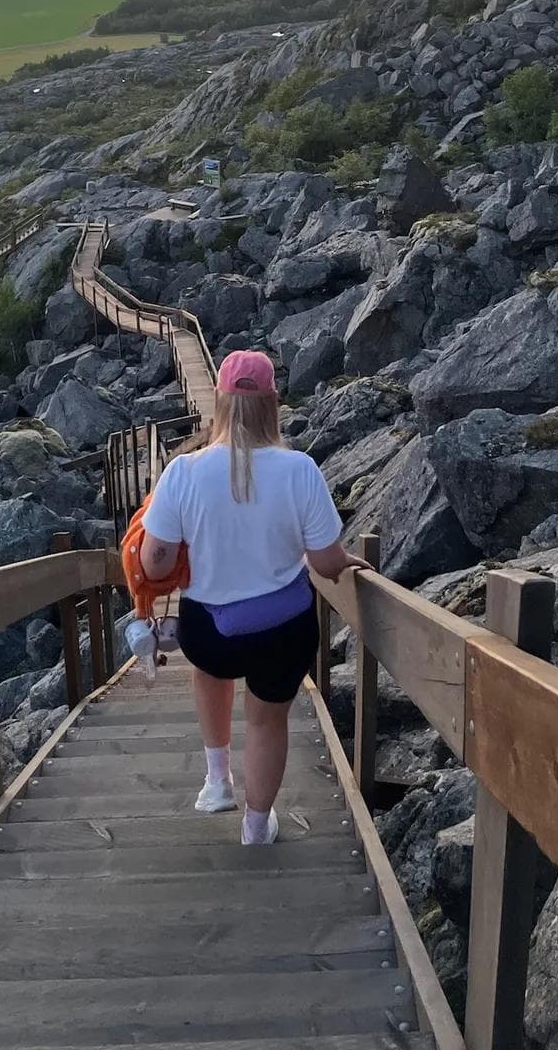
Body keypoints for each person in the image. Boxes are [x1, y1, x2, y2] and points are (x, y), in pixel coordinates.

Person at [140, 350, 368, 846]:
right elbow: (327, 564)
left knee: (212, 669)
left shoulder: (183, 472)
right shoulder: (299, 469)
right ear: (273, 404)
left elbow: (154, 564)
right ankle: (256, 827)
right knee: (266, 722)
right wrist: (350, 562)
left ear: (219, 401)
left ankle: (216, 779)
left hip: (208, 633)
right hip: (282, 631)